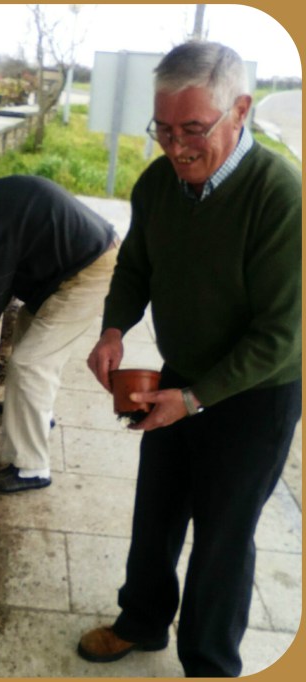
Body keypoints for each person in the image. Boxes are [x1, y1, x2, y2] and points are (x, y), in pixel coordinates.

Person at [79, 41, 301, 677]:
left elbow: (282, 334)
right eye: (164, 129)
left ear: (240, 111)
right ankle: (142, 621)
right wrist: (113, 330)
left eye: (194, 129)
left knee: (223, 537)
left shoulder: (280, 196)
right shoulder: (158, 184)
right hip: (180, 375)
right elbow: (135, 265)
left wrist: (196, 399)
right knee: (156, 512)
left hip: (257, 395)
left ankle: (208, 664)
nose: (176, 148)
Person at [0, 171, 118, 493]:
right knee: (29, 336)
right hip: (78, 264)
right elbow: (1, 285)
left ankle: (31, 468)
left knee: (30, 363)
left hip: (90, 270)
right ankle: (33, 413)